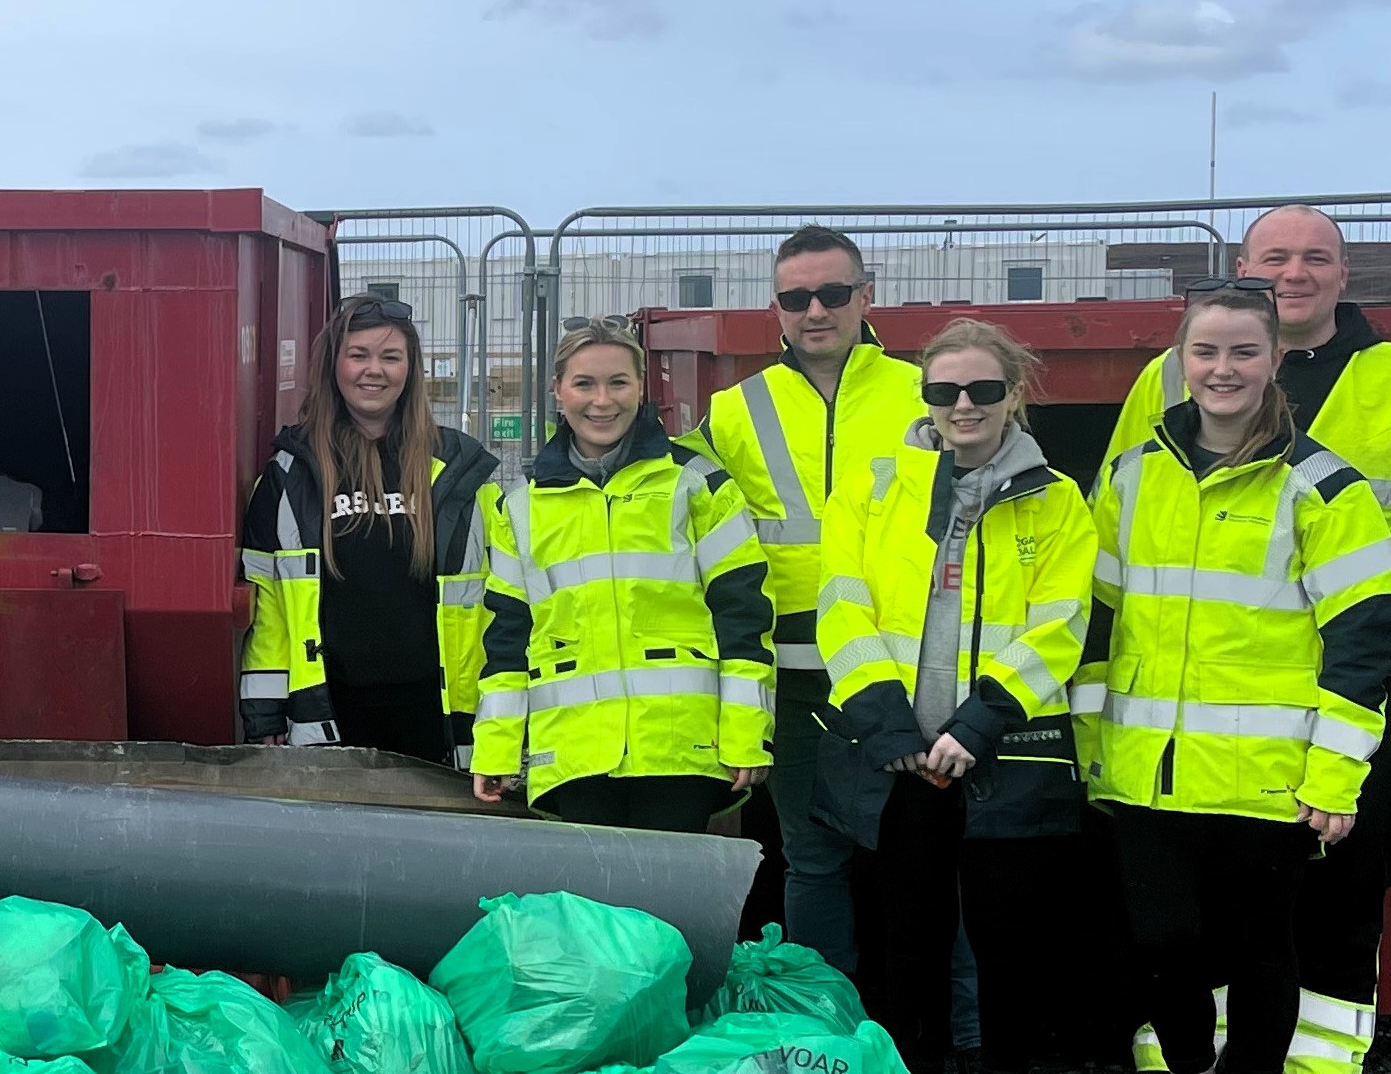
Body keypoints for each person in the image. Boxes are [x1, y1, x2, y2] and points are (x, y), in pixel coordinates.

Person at [1102, 207, 1391, 1074]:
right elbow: (1120, 519)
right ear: (1243, 270)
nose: (1295, 272)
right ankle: (1187, 1073)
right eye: (1274, 256)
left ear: (1343, 272)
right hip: (1206, 686)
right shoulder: (1163, 382)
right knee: (1198, 887)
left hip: (1382, 672)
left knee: (1347, 870)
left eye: (1316, 257)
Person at [1082, 283, 1391, 1074]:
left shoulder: (1323, 486)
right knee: (1162, 940)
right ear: (1179, 362)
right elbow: (1093, 616)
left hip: (1265, 770)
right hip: (1146, 763)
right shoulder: (1133, 473)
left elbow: (1361, 637)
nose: (1221, 371)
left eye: (1241, 354)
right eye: (1204, 353)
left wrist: (1335, 773)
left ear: (1273, 361)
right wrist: (1092, 747)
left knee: (1260, 942)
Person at [813, 320, 1095, 1074]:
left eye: (980, 390)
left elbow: (1060, 626)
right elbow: (841, 603)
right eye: (943, 392)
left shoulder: (1055, 498)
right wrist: (890, 727)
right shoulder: (875, 487)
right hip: (903, 759)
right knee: (910, 942)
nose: (961, 407)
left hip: (999, 752)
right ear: (924, 399)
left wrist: (975, 726)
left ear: (1014, 392)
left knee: (1004, 943)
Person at [693, 227, 931, 970]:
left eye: (833, 293)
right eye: (796, 298)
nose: (815, 311)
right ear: (776, 309)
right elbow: (679, 516)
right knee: (811, 857)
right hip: (790, 673)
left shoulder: (923, 393)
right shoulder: (733, 410)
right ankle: (824, 1025)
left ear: (867, 296)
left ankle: (944, 1047)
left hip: (907, 671)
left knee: (919, 865)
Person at [469, 319, 772, 831]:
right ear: (558, 390)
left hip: (681, 748)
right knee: (594, 909)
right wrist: (496, 748)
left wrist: (747, 732)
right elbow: (507, 638)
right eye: (584, 384)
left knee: (666, 905)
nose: (601, 401)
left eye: (618, 382)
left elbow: (743, 618)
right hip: (573, 754)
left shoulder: (699, 485)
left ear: (641, 387)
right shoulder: (519, 506)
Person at [239, 292, 499, 765]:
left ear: (410, 369)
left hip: (436, 709)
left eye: (390, 357)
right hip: (330, 710)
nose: (372, 370)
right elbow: (271, 608)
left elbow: (500, 599)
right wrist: (264, 711)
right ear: (333, 367)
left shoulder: (458, 469)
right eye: (358, 355)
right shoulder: (289, 475)